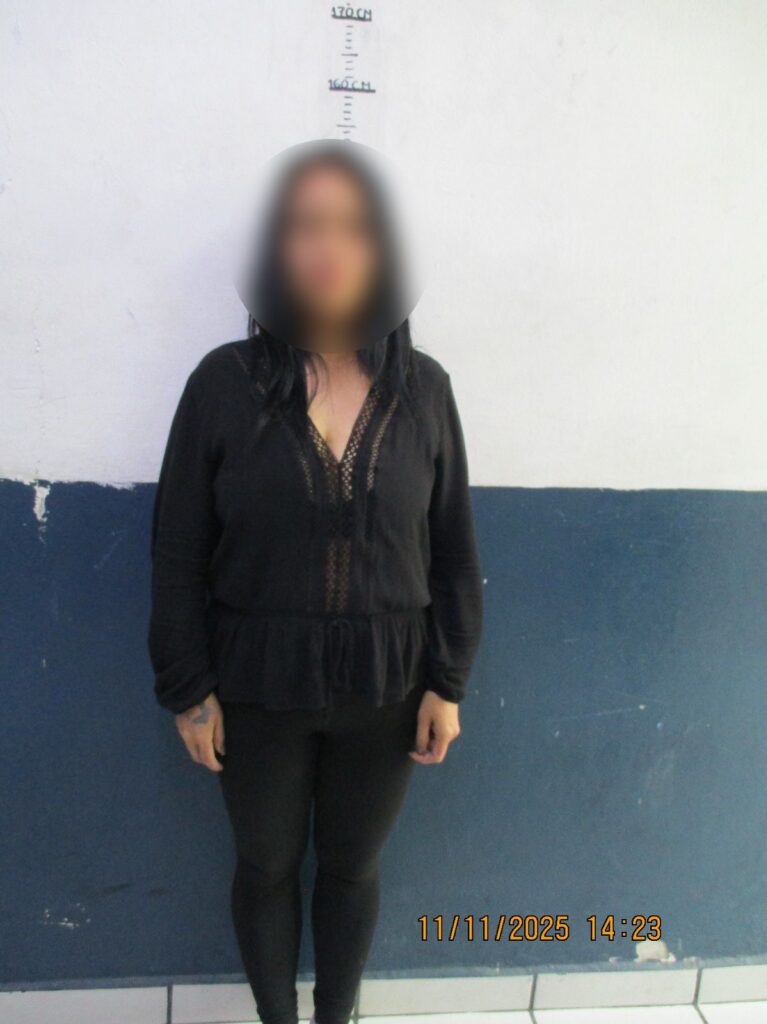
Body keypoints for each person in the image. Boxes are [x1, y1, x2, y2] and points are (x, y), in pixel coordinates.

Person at [147, 139, 484, 1024]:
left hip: (387, 688)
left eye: (354, 227)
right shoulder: (222, 385)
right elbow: (177, 552)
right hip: (255, 687)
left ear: (385, 252)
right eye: (306, 225)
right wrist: (187, 689)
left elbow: (453, 551)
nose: (330, 246)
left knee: (352, 868)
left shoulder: (426, 390)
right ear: (276, 247)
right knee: (264, 867)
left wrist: (448, 681)